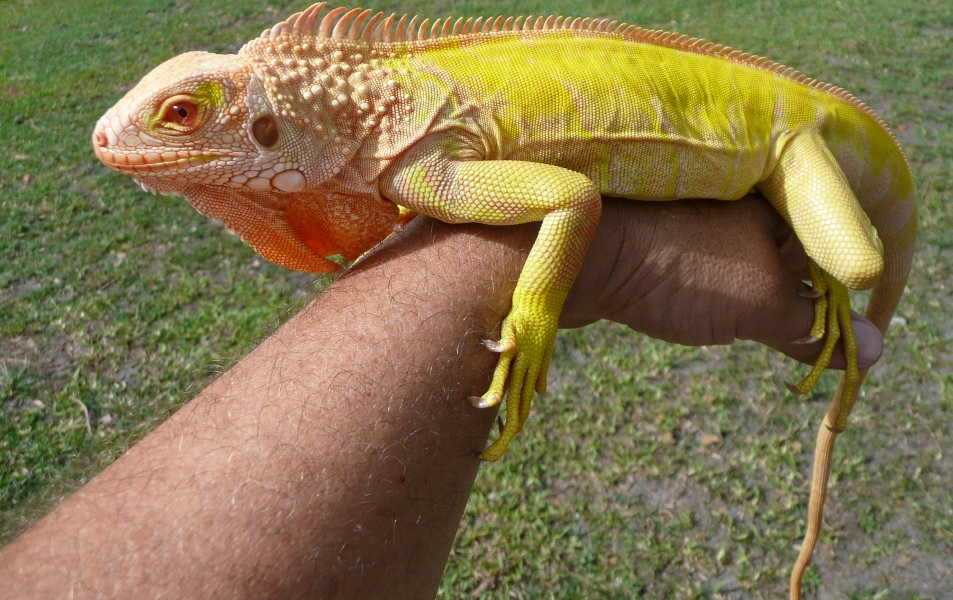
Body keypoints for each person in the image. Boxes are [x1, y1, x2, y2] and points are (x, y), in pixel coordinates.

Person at [0, 196, 882, 599]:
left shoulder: (428, 171)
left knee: (860, 263)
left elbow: (570, 196)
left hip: (786, 139)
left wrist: (534, 305)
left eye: (188, 120)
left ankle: (835, 280)